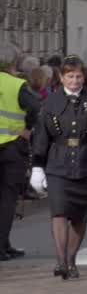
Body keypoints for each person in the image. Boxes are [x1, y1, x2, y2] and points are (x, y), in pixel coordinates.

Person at [28, 55, 87, 278]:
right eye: (70, 76)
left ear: (84, 77)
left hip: (86, 161)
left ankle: (72, 260)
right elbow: (41, 136)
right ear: (61, 77)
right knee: (59, 212)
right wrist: (37, 165)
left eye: (78, 76)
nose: (75, 81)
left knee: (78, 215)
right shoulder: (50, 103)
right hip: (58, 162)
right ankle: (61, 261)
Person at [0, 44, 45, 262]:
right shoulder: (17, 85)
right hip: (11, 146)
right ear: (12, 63)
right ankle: (1, 246)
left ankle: (4, 243)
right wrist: (27, 128)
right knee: (8, 199)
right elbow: (36, 107)